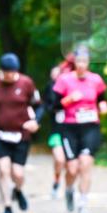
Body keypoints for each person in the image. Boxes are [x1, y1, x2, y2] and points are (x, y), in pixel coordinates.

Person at [0, 53, 42, 213]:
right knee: (3, 170)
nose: (10, 75)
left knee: (18, 173)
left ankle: (18, 190)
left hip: (21, 134)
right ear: (1, 71)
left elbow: (39, 106)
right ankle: (7, 207)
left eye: (13, 72)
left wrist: (35, 121)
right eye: (7, 72)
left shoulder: (26, 83)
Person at [53, 45, 107, 213]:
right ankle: (69, 189)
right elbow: (53, 105)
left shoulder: (96, 80)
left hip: (90, 127)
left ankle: (83, 203)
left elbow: (102, 99)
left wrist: (103, 106)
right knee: (72, 168)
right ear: (74, 62)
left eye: (85, 61)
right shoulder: (64, 80)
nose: (82, 64)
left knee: (85, 164)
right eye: (79, 61)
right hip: (69, 128)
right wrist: (68, 99)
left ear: (88, 62)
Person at [43, 64, 69, 199]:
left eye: (58, 73)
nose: (55, 76)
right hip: (56, 131)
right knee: (59, 159)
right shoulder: (50, 88)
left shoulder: (71, 86)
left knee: (71, 164)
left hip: (72, 131)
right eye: (53, 74)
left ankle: (69, 188)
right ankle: (56, 181)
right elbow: (46, 106)